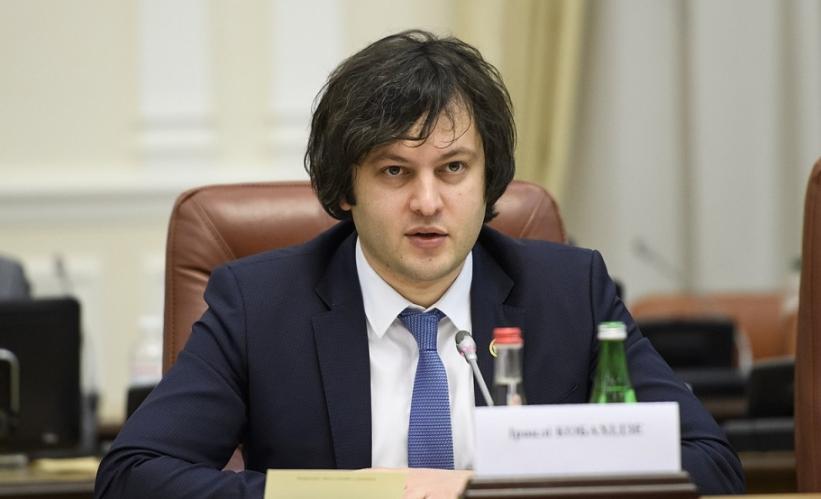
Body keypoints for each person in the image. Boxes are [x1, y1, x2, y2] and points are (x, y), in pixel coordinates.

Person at [95, 30, 745, 498]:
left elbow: (710, 463)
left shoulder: (568, 292)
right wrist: (350, 496)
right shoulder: (260, 305)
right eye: (394, 171)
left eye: (453, 168)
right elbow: (133, 474)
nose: (428, 201)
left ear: (488, 182)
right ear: (346, 189)